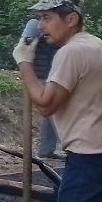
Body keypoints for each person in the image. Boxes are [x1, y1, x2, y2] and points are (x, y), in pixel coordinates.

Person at [13, 0, 102, 202]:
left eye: (47, 18)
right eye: (39, 19)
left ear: (71, 19)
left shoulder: (71, 52)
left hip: (94, 160)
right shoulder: (96, 44)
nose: (40, 26)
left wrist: (24, 63)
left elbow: (46, 104)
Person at [21, 15, 61, 160]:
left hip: (50, 71)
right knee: (55, 112)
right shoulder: (34, 23)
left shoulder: (51, 26)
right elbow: (26, 42)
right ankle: (71, 147)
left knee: (50, 114)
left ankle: (46, 150)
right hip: (41, 73)